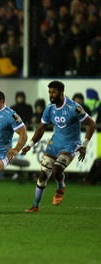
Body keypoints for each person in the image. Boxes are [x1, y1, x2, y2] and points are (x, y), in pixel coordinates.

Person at [21, 80, 95, 213]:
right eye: (49, 92)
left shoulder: (74, 108)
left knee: (56, 170)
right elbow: (41, 128)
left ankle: (61, 186)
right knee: (43, 175)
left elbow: (91, 124)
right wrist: (30, 145)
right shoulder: (49, 108)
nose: (51, 95)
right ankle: (35, 206)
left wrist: (84, 146)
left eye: (54, 92)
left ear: (61, 92)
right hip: (55, 143)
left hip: (71, 144)